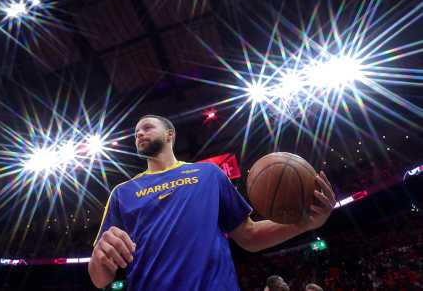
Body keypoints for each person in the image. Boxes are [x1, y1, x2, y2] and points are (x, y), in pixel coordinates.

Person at [88, 115, 336, 290]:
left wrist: (304, 223)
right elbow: (99, 279)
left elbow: (248, 236)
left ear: (170, 135)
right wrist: (99, 259)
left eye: (147, 127)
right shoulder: (122, 192)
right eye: (136, 132)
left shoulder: (209, 174)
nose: (139, 133)